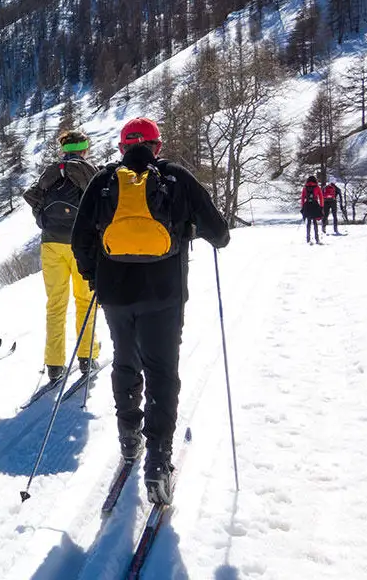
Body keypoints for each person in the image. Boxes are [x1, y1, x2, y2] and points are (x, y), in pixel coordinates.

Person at [71, 117, 229, 505]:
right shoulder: (176, 178)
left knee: (125, 361)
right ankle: (158, 457)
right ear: (157, 146)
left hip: (115, 293)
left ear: (123, 147)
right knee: (162, 370)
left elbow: (79, 238)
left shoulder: (104, 180)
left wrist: (94, 276)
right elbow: (220, 233)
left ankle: (129, 435)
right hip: (165, 293)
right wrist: (191, 228)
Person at [23, 129, 101, 383]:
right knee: (84, 301)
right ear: (84, 148)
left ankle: (54, 363)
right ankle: (87, 356)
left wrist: (42, 219)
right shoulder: (89, 170)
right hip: (82, 245)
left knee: (55, 304)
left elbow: (32, 195)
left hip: (51, 244)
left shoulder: (52, 171)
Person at [301, 176, 324, 244]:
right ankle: (317, 238)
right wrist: (321, 206)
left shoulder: (305, 188)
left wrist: (303, 207)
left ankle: (308, 239)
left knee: (308, 222)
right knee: (315, 222)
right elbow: (321, 197)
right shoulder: (317, 187)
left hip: (307, 205)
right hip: (315, 205)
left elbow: (302, 198)